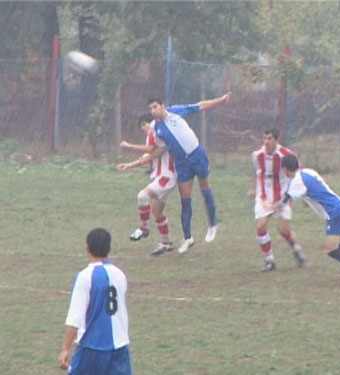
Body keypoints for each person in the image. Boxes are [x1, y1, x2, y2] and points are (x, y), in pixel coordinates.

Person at [142, 93, 231, 254]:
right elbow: (161, 148)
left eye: (155, 107)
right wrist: (145, 160)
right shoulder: (155, 127)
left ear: (162, 105)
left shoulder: (176, 111)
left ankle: (213, 224)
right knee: (185, 199)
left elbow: (200, 106)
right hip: (181, 163)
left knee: (205, 190)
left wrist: (220, 100)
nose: (153, 111)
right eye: (150, 109)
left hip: (197, 155)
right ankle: (188, 238)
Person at [277, 155, 340, 287]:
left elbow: (285, 201)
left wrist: (272, 207)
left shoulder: (296, 182)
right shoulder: (309, 172)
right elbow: (315, 189)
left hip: (334, 212)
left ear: (285, 169)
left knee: (331, 250)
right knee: (338, 245)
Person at [58, 228, 133, 374]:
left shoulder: (84, 277)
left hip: (91, 348)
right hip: (120, 347)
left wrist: (65, 349)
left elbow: (75, 318)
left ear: (87, 248)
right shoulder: (120, 275)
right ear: (110, 248)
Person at [117, 114, 176, 256]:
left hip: (166, 177)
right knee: (157, 212)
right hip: (163, 177)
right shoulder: (155, 137)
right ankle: (165, 242)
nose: (145, 127)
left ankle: (144, 229)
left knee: (142, 196)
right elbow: (149, 156)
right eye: (142, 126)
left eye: (146, 123)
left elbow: (150, 150)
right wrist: (130, 165)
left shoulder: (156, 133)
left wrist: (129, 146)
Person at [249, 128, 305, 272]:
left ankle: (296, 249)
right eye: (264, 138)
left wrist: (301, 193)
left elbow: (298, 171)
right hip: (263, 196)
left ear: (276, 140)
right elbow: (256, 172)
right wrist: (254, 188)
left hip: (282, 195)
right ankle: (269, 260)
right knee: (260, 226)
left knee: (283, 230)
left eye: (269, 139)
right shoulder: (256, 155)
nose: (266, 142)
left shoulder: (285, 154)